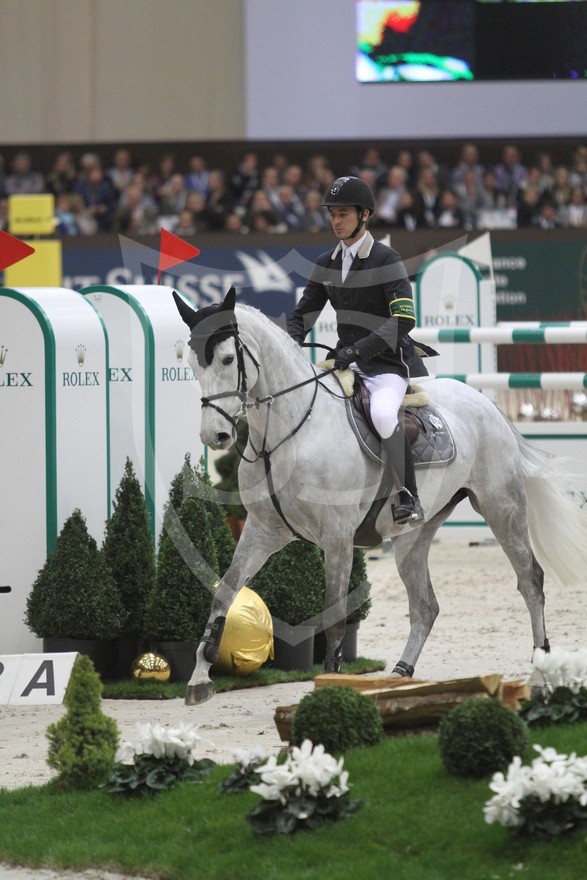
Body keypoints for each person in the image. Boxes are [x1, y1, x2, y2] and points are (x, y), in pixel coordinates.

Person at [286, 175, 425, 525]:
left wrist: (358, 351)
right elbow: (303, 314)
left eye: (343, 214)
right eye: (332, 214)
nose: (335, 221)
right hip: (344, 365)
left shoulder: (386, 259)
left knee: (383, 415)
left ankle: (408, 495)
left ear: (365, 215)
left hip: (384, 366)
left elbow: (404, 320)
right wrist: (292, 342)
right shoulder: (327, 262)